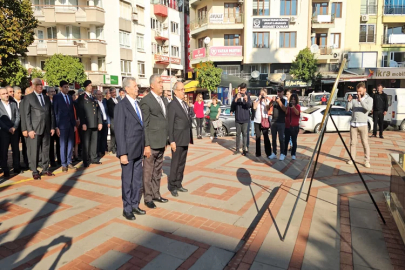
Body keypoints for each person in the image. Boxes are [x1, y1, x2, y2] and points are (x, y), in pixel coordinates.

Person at [115, 77, 146, 220]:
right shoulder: (121, 106)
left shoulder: (137, 104)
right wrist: (122, 153)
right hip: (128, 150)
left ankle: (135, 204)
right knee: (127, 181)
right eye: (134, 86)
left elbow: (141, 127)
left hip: (139, 149)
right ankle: (126, 208)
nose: (137, 88)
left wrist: (146, 145)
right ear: (126, 89)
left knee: (137, 180)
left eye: (137, 86)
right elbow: (120, 131)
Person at [140, 74, 169, 209]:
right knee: (148, 172)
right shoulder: (146, 100)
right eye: (159, 82)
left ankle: (156, 194)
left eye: (162, 82)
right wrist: (146, 145)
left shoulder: (163, 99)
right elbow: (145, 124)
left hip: (161, 142)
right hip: (151, 144)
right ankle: (148, 197)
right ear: (152, 85)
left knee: (158, 171)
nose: (162, 85)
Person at [24, 78, 55, 179]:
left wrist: (52, 127)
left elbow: (51, 113)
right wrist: (30, 130)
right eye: (38, 85)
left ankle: (45, 169)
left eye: (41, 85)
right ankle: (35, 170)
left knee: (46, 149)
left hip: (46, 128)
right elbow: (27, 115)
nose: (40, 86)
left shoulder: (46, 98)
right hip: (35, 129)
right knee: (35, 150)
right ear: (33, 86)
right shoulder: (28, 98)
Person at [167, 82, 193, 197]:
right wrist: (171, 140)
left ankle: (178, 183)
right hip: (177, 139)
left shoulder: (184, 104)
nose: (184, 92)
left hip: (185, 138)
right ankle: (172, 186)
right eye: (182, 90)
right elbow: (170, 124)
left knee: (182, 163)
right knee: (175, 163)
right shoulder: (172, 105)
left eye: (184, 89)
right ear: (175, 92)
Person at [346, 82, 373, 168]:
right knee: (352, 143)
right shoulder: (354, 99)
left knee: (365, 143)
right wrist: (349, 101)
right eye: (357, 91)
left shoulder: (369, 99)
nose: (358, 93)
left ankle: (367, 160)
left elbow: (368, 108)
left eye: (360, 91)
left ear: (365, 90)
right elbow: (347, 109)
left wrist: (361, 100)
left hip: (363, 124)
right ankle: (352, 159)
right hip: (353, 124)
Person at [76, 80, 102, 167]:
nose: (91, 87)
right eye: (89, 85)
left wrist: (100, 122)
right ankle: (86, 160)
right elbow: (81, 111)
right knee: (86, 143)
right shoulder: (82, 97)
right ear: (86, 87)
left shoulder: (93, 97)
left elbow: (98, 110)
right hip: (86, 124)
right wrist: (83, 123)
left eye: (91, 85)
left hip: (94, 123)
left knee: (94, 142)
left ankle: (93, 158)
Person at [53, 81, 76, 172]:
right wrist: (56, 126)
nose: (67, 89)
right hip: (62, 125)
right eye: (65, 87)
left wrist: (74, 124)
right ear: (61, 88)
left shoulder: (70, 97)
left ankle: (69, 161)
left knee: (70, 144)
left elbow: (71, 112)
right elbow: (55, 112)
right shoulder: (57, 97)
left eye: (68, 87)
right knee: (63, 144)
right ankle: (63, 164)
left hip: (70, 124)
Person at [0, 88, 21, 177]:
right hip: (4, 132)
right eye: (3, 94)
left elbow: (18, 116)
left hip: (14, 131)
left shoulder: (13, 103)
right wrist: (7, 128)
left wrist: (14, 127)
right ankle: (5, 169)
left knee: (16, 150)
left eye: (6, 93)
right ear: (0, 96)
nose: (6, 95)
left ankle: (16, 167)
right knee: (4, 151)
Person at [230, 83, 251, 156]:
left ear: (246, 90)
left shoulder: (248, 95)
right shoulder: (236, 95)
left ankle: (245, 149)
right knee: (238, 135)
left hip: (245, 118)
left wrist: (246, 100)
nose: (242, 92)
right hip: (238, 118)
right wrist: (236, 99)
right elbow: (232, 105)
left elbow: (249, 106)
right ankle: (237, 149)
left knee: (245, 134)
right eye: (241, 90)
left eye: (243, 90)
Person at [269, 88, 287, 161]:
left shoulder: (284, 100)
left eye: (280, 92)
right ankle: (274, 153)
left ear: (283, 92)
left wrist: (279, 101)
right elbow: (268, 107)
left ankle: (282, 153)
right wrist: (271, 101)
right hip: (274, 121)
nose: (279, 93)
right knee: (273, 138)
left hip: (281, 122)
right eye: (278, 92)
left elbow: (285, 110)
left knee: (281, 139)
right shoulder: (274, 100)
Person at [253, 88, 271, 157]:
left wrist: (265, 101)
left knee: (266, 137)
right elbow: (254, 107)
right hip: (257, 121)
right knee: (258, 137)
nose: (262, 95)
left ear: (266, 94)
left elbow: (267, 109)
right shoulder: (257, 100)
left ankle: (268, 153)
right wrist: (259, 100)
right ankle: (258, 153)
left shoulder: (267, 101)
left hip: (264, 121)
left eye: (263, 93)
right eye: (261, 93)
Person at [13, 86, 29, 169]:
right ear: (14, 93)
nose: (20, 94)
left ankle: (27, 163)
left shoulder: (24, 101)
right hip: (15, 128)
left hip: (24, 126)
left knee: (26, 146)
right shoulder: (12, 102)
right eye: (18, 93)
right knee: (15, 147)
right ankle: (16, 165)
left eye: (20, 92)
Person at [284, 94, 301, 160]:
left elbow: (297, 113)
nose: (293, 101)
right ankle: (284, 153)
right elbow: (285, 114)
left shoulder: (298, 106)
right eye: (292, 99)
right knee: (286, 141)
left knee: (294, 141)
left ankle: (293, 154)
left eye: (294, 99)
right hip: (287, 126)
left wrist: (293, 107)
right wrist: (287, 107)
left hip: (295, 126)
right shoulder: (288, 106)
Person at [47, 87, 60, 167]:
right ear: (47, 93)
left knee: (59, 144)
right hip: (50, 126)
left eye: (54, 91)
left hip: (58, 125)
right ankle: (52, 161)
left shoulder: (57, 101)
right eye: (51, 91)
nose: (53, 93)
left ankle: (59, 159)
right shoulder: (46, 101)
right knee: (51, 145)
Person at [96, 90, 110, 157]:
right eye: (98, 94)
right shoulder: (95, 102)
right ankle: (98, 151)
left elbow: (107, 112)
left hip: (105, 121)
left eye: (101, 94)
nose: (100, 96)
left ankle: (103, 150)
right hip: (99, 122)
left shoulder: (104, 102)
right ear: (95, 95)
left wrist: (108, 121)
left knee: (104, 137)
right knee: (99, 137)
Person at [68, 90, 81, 162]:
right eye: (73, 95)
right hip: (71, 125)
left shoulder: (75, 103)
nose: (74, 97)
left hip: (77, 124)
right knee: (72, 141)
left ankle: (76, 155)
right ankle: (71, 156)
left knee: (76, 141)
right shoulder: (69, 104)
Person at [107, 88, 119, 154]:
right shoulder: (109, 101)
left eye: (115, 92)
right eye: (113, 92)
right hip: (113, 119)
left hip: (118, 119)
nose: (114, 93)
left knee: (118, 134)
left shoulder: (117, 100)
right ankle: (113, 148)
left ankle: (117, 147)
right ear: (111, 93)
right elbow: (110, 111)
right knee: (113, 134)